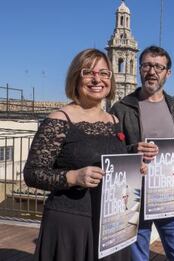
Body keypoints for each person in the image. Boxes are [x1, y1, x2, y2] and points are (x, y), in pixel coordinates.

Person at [24, 49, 133, 260]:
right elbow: (32, 173)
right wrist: (73, 177)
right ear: (76, 77)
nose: (97, 79)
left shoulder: (113, 121)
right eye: (88, 72)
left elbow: (109, 159)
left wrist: (134, 164)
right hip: (72, 223)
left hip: (112, 223)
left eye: (104, 73)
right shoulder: (59, 120)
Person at [110, 45, 174, 261]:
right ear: (140, 69)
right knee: (137, 256)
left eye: (159, 67)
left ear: (168, 73)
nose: (152, 71)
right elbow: (109, 151)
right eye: (147, 65)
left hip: (170, 194)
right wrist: (133, 150)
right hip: (135, 193)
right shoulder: (121, 108)